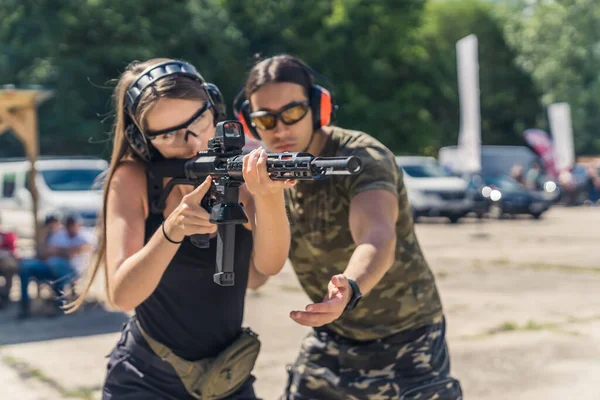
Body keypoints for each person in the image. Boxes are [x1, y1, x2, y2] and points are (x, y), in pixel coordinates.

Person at [234, 54, 463, 400]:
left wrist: (349, 288)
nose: (279, 129)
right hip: (333, 335)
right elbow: (256, 276)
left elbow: (377, 235)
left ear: (317, 107)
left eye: (292, 113)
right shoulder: (264, 176)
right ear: (250, 124)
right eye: (265, 119)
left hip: (407, 336)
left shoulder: (360, 156)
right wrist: (240, 210)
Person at [64, 58, 294, 399]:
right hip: (146, 378)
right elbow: (120, 295)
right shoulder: (133, 180)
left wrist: (268, 198)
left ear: (213, 107)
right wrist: (172, 229)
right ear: (143, 142)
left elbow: (263, 273)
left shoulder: (243, 170)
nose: (192, 143)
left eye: (200, 121)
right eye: (169, 135)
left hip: (226, 375)